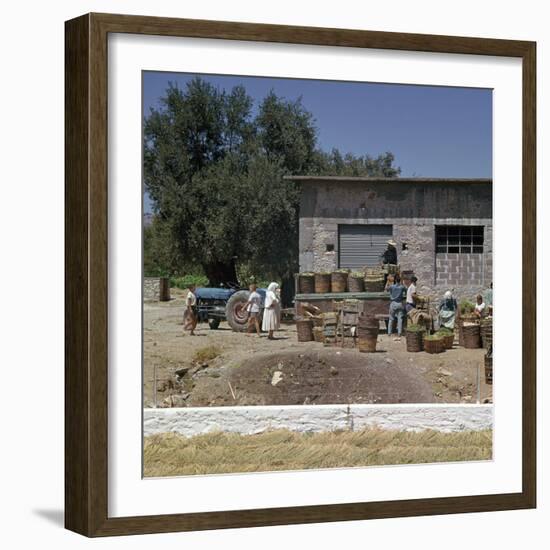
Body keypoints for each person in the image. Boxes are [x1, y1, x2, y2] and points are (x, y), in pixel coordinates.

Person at [386, 274, 406, 340]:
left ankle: (389, 333)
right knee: (400, 319)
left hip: (393, 303)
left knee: (391, 318)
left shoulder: (392, 286)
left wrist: (388, 281)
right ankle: (399, 333)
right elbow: (406, 290)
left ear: (394, 280)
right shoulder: (402, 287)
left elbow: (386, 289)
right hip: (400, 303)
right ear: (400, 280)